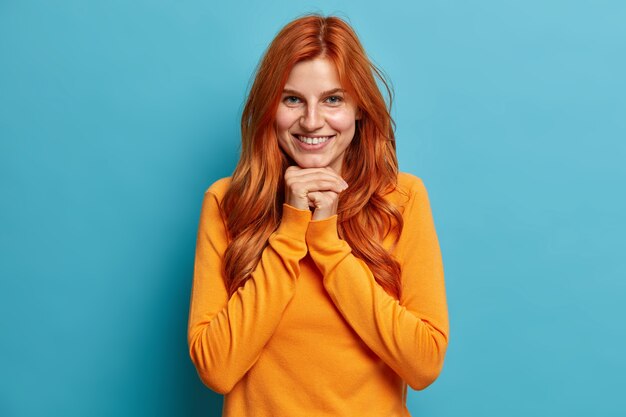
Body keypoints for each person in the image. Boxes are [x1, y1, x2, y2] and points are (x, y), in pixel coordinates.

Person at [187, 14, 449, 417]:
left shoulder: (403, 199)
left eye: (333, 99)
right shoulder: (227, 203)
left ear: (360, 107)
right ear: (270, 108)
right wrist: (292, 226)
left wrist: (327, 241)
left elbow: (423, 363)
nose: (312, 121)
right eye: (292, 99)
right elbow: (217, 369)